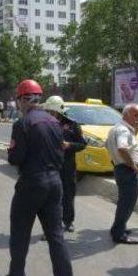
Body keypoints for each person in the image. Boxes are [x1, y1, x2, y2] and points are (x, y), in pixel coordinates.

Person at [0, 79, 74, 276]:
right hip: (54, 182)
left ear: (22, 100)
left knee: (20, 235)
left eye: (18, 100)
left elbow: (15, 158)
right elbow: (61, 153)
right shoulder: (54, 121)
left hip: (32, 184)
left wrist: (14, 153)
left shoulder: (23, 124)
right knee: (56, 236)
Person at [42, 96, 86, 233]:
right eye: (48, 111)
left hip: (67, 166)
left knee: (68, 194)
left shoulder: (73, 125)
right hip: (50, 166)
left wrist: (69, 145)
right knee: (51, 197)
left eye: (52, 111)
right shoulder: (44, 124)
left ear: (59, 111)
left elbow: (82, 144)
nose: (50, 114)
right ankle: (51, 225)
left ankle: (68, 221)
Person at [106, 104, 138, 245]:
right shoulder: (123, 130)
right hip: (127, 170)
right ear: (126, 115)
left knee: (124, 202)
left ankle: (118, 228)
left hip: (120, 168)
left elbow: (108, 145)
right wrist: (132, 165)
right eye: (136, 115)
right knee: (127, 203)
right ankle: (119, 234)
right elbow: (122, 148)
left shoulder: (118, 128)